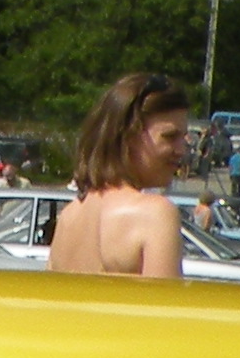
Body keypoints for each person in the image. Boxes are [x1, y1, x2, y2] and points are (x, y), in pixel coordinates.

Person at [49, 73, 189, 281]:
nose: (181, 150)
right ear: (129, 136)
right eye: (170, 137)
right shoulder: (155, 214)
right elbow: (164, 310)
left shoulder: (68, 218)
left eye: (183, 138)